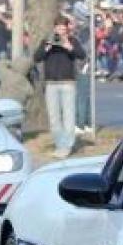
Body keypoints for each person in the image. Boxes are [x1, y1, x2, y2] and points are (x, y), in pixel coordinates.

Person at [34, 17, 86, 159]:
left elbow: (82, 55)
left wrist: (69, 47)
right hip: (51, 83)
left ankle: (67, 146)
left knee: (69, 116)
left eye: (64, 28)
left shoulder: (72, 41)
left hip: (68, 82)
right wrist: (46, 48)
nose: (61, 31)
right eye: (59, 28)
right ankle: (60, 144)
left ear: (67, 29)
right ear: (54, 28)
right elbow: (37, 57)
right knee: (54, 117)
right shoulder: (47, 41)